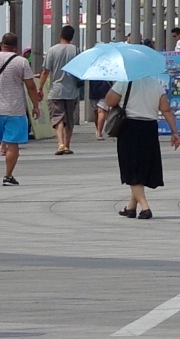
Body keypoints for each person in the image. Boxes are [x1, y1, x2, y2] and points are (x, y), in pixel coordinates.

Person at [100, 67, 171, 217]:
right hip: (149, 128)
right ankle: (131, 207)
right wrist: (175, 132)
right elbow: (166, 109)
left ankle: (145, 207)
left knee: (131, 169)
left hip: (130, 128)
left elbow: (110, 101)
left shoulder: (124, 82)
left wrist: (114, 87)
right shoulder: (156, 84)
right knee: (142, 167)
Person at [0, 38, 39, 185]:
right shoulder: (22, 62)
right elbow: (30, 86)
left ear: (1, 45)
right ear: (16, 46)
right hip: (15, 109)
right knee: (12, 143)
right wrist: (35, 105)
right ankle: (8, 176)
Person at [43, 25, 84, 156]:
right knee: (69, 119)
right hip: (72, 90)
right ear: (72, 37)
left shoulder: (52, 50)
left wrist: (40, 88)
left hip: (56, 90)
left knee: (58, 117)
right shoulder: (76, 50)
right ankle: (67, 144)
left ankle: (60, 144)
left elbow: (45, 71)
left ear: (61, 35)